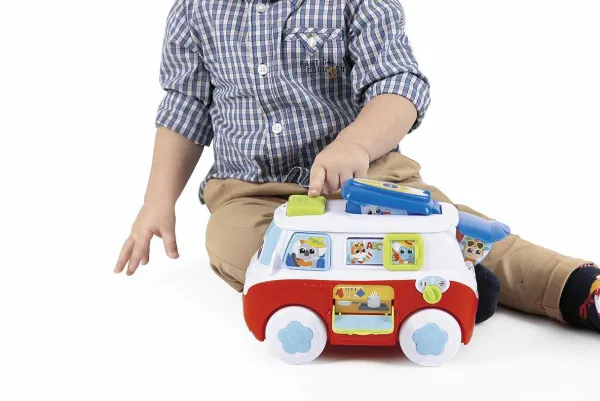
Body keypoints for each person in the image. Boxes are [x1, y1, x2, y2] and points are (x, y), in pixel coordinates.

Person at [115, 0, 599, 331]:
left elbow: (399, 85)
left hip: (369, 178)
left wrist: (355, 145)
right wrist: (158, 201)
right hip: (253, 192)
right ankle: (431, 289)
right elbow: (186, 106)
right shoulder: (194, 9)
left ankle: (572, 288)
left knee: (454, 226)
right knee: (245, 245)